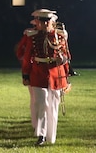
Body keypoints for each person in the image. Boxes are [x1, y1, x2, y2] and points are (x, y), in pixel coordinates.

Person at [21, 9, 72, 145]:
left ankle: (51, 135)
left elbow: (67, 55)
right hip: (38, 73)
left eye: (46, 22)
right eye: (41, 21)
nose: (43, 24)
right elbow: (27, 57)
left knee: (53, 106)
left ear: (50, 22)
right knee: (42, 103)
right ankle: (41, 134)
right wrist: (25, 74)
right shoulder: (33, 37)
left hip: (56, 74)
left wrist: (64, 62)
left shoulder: (59, 36)